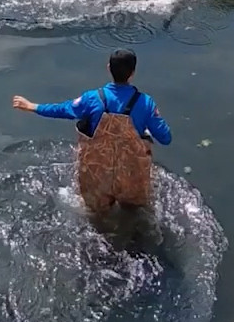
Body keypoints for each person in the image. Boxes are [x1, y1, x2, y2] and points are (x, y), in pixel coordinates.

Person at [12, 49, 171, 213]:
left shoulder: (92, 98)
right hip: (130, 176)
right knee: (135, 214)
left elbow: (63, 110)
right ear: (133, 73)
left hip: (97, 176)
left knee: (95, 217)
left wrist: (32, 107)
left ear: (108, 68)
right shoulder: (146, 103)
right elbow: (166, 138)